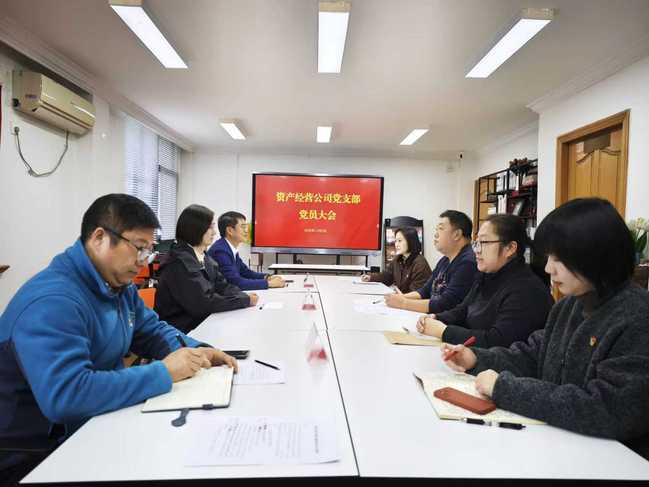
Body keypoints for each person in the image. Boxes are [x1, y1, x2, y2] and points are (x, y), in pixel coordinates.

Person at [0, 194, 237, 485]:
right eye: (138, 248)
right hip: (32, 455)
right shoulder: (52, 301)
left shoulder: (115, 284)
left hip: (95, 423)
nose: (142, 261)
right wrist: (164, 372)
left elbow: (151, 330)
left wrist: (198, 350)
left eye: (148, 251)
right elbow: (67, 396)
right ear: (99, 238)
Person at [441, 198, 649, 460]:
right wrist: (477, 358)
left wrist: (504, 388)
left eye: (559, 259)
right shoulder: (569, 305)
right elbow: (533, 355)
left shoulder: (636, 316)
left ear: (595, 255)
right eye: (549, 257)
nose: (549, 268)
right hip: (561, 447)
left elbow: (609, 409)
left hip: (614, 464)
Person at [416, 214, 553, 348]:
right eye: (476, 243)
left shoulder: (526, 289)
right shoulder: (486, 274)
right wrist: (437, 318)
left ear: (510, 248)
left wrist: (444, 332)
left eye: (484, 242)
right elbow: (463, 310)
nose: (477, 250)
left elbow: (497, 341)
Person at [155, 205, 258, 333]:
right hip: (182, 331)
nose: (214, 232)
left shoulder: (203, 256)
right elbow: (204, 303)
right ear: (194, 228)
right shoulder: (178, 262)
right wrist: (244, 300)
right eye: (210, 227)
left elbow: (222, 285)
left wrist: (242, 296)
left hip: (202, 323)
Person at [384, 210, 477, 313]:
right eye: (436, 229)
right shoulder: (445, 260)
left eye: (441, 229)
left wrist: (403, 303)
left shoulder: (468, 263)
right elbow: (425, 290)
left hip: (442, 320)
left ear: (457, 234)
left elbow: (446, 303)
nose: (436, 235)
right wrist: (401, 298)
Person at [208, 211, 285, 290]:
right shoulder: (221, 251)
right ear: (230, 230)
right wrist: (269, 283)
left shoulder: (228, 248)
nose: (246, 231)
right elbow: (236, 283)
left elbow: (245, 272)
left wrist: (267, 277)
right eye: (243, 227)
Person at [362, 227, 432, 293]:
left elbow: (417, 293)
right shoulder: (398, 259)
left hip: (411, 300)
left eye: (400, 241)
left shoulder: (420, 264)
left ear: (410, 241)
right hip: (402, 299)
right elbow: (387, 277)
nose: (396, 244)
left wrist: (398, 296)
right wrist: (371, 277)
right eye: (396, 241)